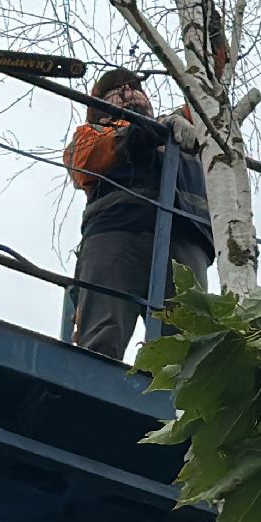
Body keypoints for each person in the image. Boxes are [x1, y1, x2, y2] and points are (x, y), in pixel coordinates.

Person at [62, 69, 214, 360]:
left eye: (134, 88)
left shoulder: (183, 124)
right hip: (116, 233)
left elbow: (208, 90)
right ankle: (94, 394)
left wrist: (211, 40)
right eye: (117, 91)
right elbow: (87, 160)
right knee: (102, 335)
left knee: (186, 346)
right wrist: (141, 133)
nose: (129, 92)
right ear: (100, 110)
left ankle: (171, 401)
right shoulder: (89, 137)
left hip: (184, 237)